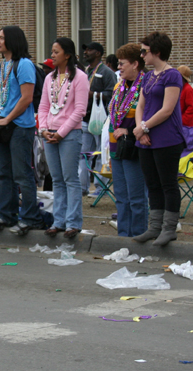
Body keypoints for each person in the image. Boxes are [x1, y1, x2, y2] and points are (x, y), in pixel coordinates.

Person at [0, 25, 44, 235]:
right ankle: (7, 217)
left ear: (12, 40)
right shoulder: (4, 65)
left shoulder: (25, 65)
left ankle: (29, 218)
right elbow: (2, 94)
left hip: (20, 127)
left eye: (1, 38)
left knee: (22, 174)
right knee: (5, 174)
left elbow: (26, 98)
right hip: (4, 124)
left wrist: (8, 118)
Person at [133, 32, 185, 246]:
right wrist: (140, 129)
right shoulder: (147, 76)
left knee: (168, 184)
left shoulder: (172, 75)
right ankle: (154, 227)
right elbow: (141, 106)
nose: (142, 55)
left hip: (167, 138)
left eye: (144, 51)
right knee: (152, 183)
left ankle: (169, 228)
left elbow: (167, 109)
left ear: (157, 52)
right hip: (146, 137)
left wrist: (144, 126)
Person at [38, 37, 89, 239]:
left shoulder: (80, 78)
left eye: (56, 52)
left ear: (67, 55)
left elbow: (80, 110)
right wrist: (44, 129)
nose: (52, 55)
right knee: (56, 179)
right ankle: (58, 221)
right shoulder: (50, 78)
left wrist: (61, 132)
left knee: (70, 179)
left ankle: (73, 222)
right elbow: (43, 107)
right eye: (52, 51)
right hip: (49, 133)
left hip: (68, 134)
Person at [108, 43, 148, 237]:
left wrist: (130, 130)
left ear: (135, 64)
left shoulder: (145, 85)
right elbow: (114, 115)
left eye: (122, 63)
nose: (119, 67)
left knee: (136, 197)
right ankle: (123, 236)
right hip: (116, 146)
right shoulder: (119, 86)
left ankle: (139, 235)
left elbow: (149, 116)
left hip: (134, 146)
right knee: (121, 197)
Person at [80, 42, 116, 196]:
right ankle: (82, 187)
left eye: (89, 49)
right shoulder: (86, 71)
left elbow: (113, 94)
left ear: (98, 53)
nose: (86, 52)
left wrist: (94, 94)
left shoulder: (107, 72)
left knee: (101, 154)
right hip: (85, 119)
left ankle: (101, 188)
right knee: (83, 154)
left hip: (100, 120)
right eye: (85, 50)